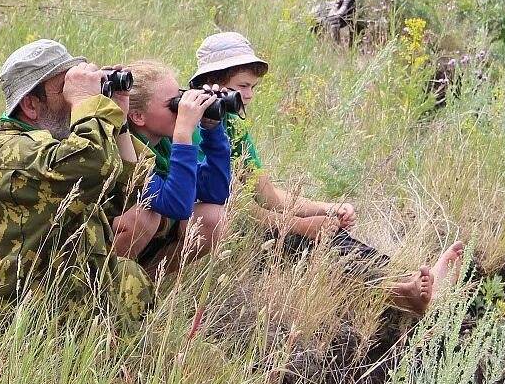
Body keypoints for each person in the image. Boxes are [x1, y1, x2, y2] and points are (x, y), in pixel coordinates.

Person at [191, 31, 463, 312]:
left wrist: (327, 209)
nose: (248, 95)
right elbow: (230, 209)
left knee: (325, 234)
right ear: (213, 83)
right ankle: (401, 292)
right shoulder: (198, 124)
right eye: (242, 86)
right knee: (300, 240)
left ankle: (402, 283)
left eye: (253, 87)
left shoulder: (233, 124)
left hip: (238, 222)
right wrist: (301, 225)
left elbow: (267, 194)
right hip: (213, 229)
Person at [0, 40, 153, 328]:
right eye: (65, 88)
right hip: (27, 319)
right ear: (31, 104)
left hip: (74, 301)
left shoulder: (62, 148)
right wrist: (85, 100)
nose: (74, 97)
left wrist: (117, 117)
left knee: (130, 276)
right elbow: (95, 162)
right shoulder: (14, 152)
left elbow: (128, 192)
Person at [113, 60, 234, 276]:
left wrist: (212, 128)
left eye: (182, 97)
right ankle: (104, 287)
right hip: (102, 243)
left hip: (150, 238)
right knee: (145, 216)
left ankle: (147, 281)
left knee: (214, 217)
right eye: (173, 104)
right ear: (138, 116)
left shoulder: (164, 144)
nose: (182, 109)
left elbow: (216, 193)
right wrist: (183, 134)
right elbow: (177, 206)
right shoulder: (125, 148)